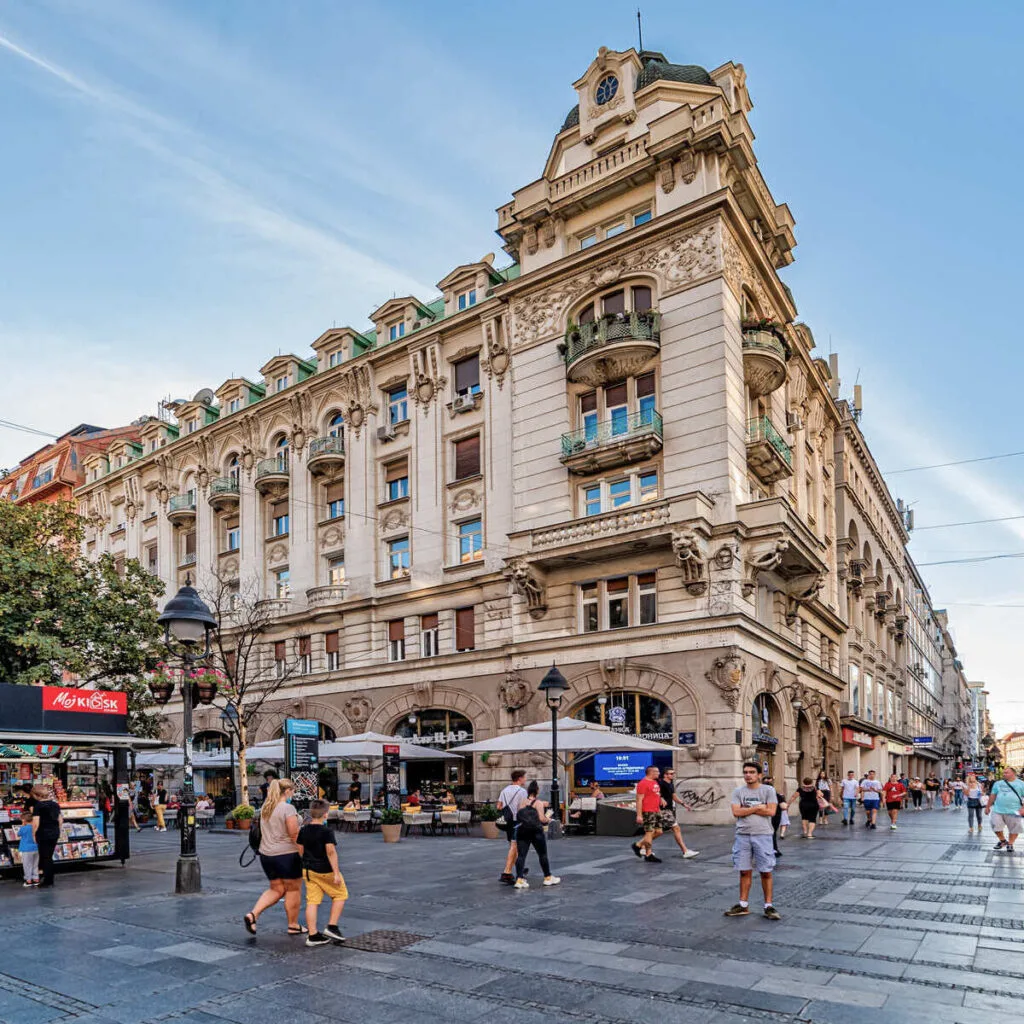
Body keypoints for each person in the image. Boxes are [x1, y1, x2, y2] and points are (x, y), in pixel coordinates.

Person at [244, 778, 305, 935]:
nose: (294, 793)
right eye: (293, 791)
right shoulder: (287, 808)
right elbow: (294, 834)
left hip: (267, 855)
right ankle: (293, 925)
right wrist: (303, 853)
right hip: (287, 855)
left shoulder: (266, 807)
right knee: (293, 890)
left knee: (276, 889)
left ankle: (253, 915)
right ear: (287, 791)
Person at [724, 761, 780, 920]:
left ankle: (768, 906)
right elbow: (736, 812)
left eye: (751, 772)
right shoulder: (738, 791)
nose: (748, 775)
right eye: (746, 772)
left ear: (759, 775)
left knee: (766, 871)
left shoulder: (768, 790)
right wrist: (757, 808)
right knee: (744, 870)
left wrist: (747, 810)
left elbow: (771, 811)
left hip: (763, 835)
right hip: (743, 835)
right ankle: (743, 904)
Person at [297, 799, 347, 946]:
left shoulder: (304, 830)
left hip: (308, 870)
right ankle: (332, 926)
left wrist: (306, 861)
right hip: (325, 870)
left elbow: (300, 849)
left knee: (312, 901)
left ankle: (312, 935)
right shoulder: (326, 831)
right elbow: (331, 852)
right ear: (325, 814)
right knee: (340, 894)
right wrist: (336, 873)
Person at [513, 781, 560, 889]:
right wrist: (548, 819)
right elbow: (542, 819)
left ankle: (519, 879)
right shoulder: (538, 803)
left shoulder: (522, 802)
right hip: (536, 831)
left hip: (522, 831)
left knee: (521, 855)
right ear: (537, 791)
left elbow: (518, 815)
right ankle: (547, 877)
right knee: (542, 854)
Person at [658, 768, 699, 859]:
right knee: (676, 828)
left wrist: (684, 804)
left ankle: (641, 845)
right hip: (663, 810)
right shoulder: (661, 783)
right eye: (671, 773)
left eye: (673, 773)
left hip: (668, 809)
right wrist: (660, 798)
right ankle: (685, 851)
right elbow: (655, 794)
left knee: (657, 832)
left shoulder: (671, 784)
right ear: (665, 775)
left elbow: (674, 796)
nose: (673, 775)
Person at [497, 769, 528, 885]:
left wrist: (507, 809)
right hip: (517, 821)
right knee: (514, 846)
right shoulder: (522, 791)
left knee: (513, 845)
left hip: (507, 821)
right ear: (519, 778)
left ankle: (520, 867)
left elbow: (499, 806)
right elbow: (522, 808)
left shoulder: (504, 790)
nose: (525, 779)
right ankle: (507, 872)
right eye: (524, 777)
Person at [985, 766, 1024, 854]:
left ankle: (1010, 844)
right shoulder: (998, 783)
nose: (1004, 774)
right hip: (998, 810)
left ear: (1013, 774)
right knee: (995, 826)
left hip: (1014, 811)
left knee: (1014, 829)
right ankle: (1002, 841)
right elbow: (993, 795)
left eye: (1006, 772)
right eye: (1004, 772)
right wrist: (987, 807)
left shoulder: (1021, 784)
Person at [632, 764, 664, 864]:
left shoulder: (655, 782)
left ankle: (638, 845)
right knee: (649, 832)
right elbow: (639, 800)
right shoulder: (643, 783)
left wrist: (659, 805)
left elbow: (656, 795)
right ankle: (648, 854)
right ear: (651, 772)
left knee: (659, 831)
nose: (659, 773)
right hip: (648, 811)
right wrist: (639, 815)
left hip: (656, 810)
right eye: (657, 772)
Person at [31, 785, 62, 889]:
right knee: (49, 856)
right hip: (54, 832)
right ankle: (50, 879)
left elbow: (36, 822)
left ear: (36, 795)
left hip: (43, 833)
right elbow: (60, 819)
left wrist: (34, 834)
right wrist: (58, 830)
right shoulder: (55, 805)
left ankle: (47, 880)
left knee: (45, 856)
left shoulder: (38, 806)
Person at [18, 811, 39, 886]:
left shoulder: (23, 828)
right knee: (35, 865)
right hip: (36, 848)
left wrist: (22, 825)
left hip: (26, 849)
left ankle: (28, 880)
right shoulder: (35, 827)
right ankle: (36, 879)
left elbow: (18, 834)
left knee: (27, 865)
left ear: (24, 820)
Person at [766, 777, 785, 857]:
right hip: (775, 816)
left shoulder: (762, 796)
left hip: (764, 817)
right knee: (773, 833)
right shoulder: (777, 796)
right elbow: (784, 806)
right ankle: (774, 849)